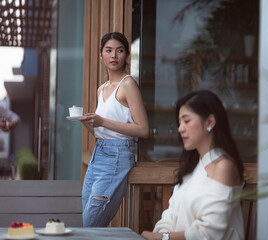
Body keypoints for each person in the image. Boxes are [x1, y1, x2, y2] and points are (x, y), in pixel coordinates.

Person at [141, 90, 245, 240]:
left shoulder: (223, 166)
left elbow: (210, 232)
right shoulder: (192, 166)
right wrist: (162, 235)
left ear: (209, 122)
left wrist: (163, 238)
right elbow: (170, 215)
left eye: (186, 121)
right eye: (179, 122)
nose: (180, 128)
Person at [80, 32, 149, 227]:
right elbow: (104, 131)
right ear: (101, 54)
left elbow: (143, 129)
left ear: (126, 55)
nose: (113, 56)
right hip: (98, 154)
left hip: (117, 156)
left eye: (119, 51)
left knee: (90, 224)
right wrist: (89, 123)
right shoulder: (101, 89)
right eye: (108, 50)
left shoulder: (128, 84)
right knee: (87, 222)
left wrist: (102, 121)